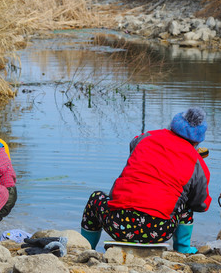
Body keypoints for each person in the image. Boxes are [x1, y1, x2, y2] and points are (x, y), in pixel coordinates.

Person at [80, 107, 211, 253]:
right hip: (158, 231)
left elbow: (133, 146)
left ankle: (87, 248)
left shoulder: (145, 137)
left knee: (95, 198)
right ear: (197, 141)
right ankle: (183, 248)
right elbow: (201, 204)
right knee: (186, 203)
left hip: (118, 224)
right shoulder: (197, 163)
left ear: (172, 126)